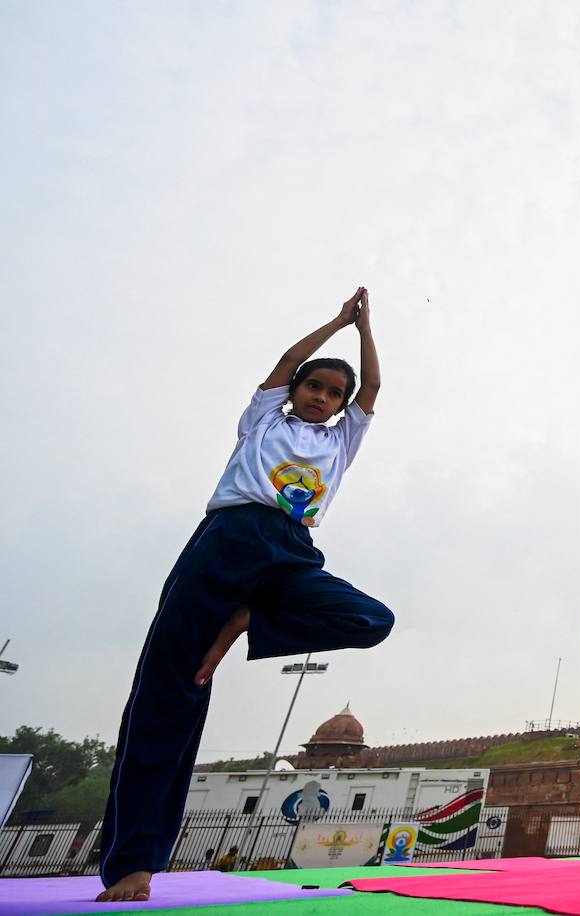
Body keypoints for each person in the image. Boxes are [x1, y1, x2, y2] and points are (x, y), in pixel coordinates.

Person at [97, 289, 395, 902]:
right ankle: (136, 862)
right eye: (313, 386)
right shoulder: (262, 422)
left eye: (334, 393)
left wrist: (367, 333)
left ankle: (249, 618)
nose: (322, 396)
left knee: (370, 618)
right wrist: (337, 322)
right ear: (293, 390)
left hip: (290, 549)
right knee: (171, 693)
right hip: (227, 539)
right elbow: (285, 362)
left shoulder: (340, 442)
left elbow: (373, 391)